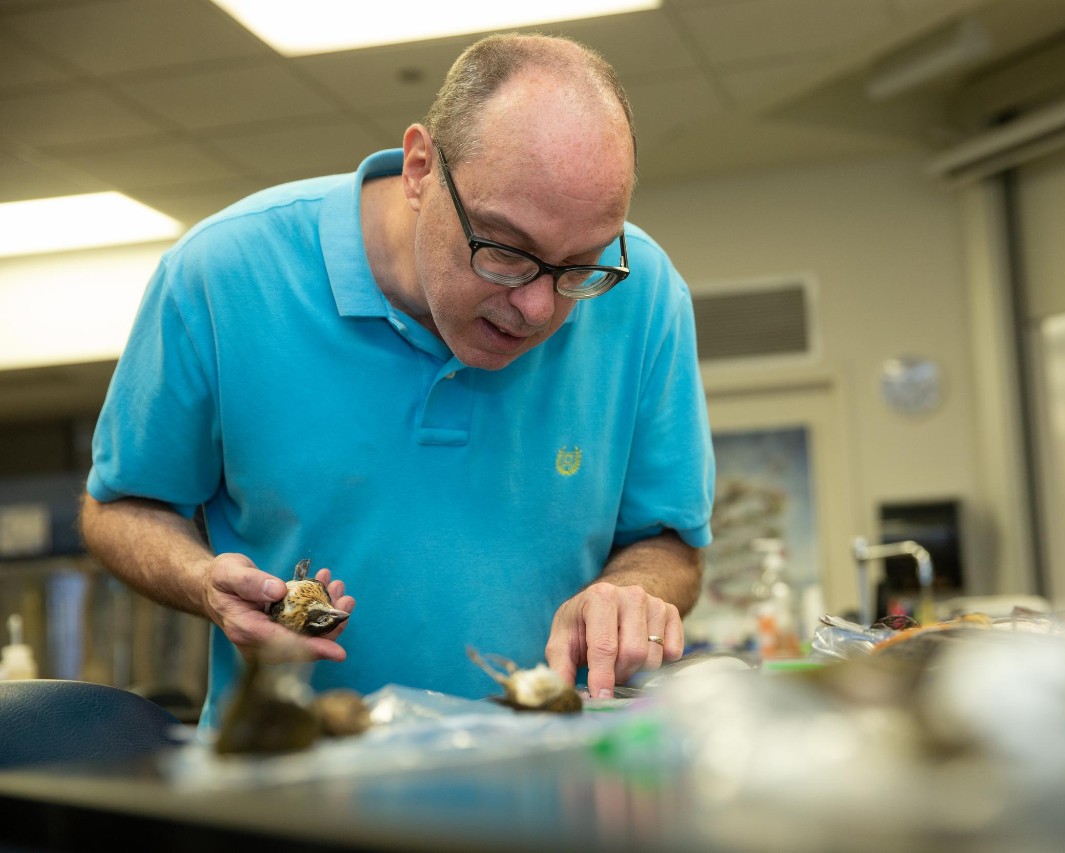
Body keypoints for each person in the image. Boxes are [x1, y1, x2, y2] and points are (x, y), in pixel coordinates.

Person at [78, 31, 715, 730]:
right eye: (505, 250)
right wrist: (204, 582)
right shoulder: (220, 276)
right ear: (419, 170)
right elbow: (118, 505)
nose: (538, 308)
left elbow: (671, 541)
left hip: (554, 788)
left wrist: (630, 590)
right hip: (292, 791)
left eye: (580, 265)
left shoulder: (644, 291)